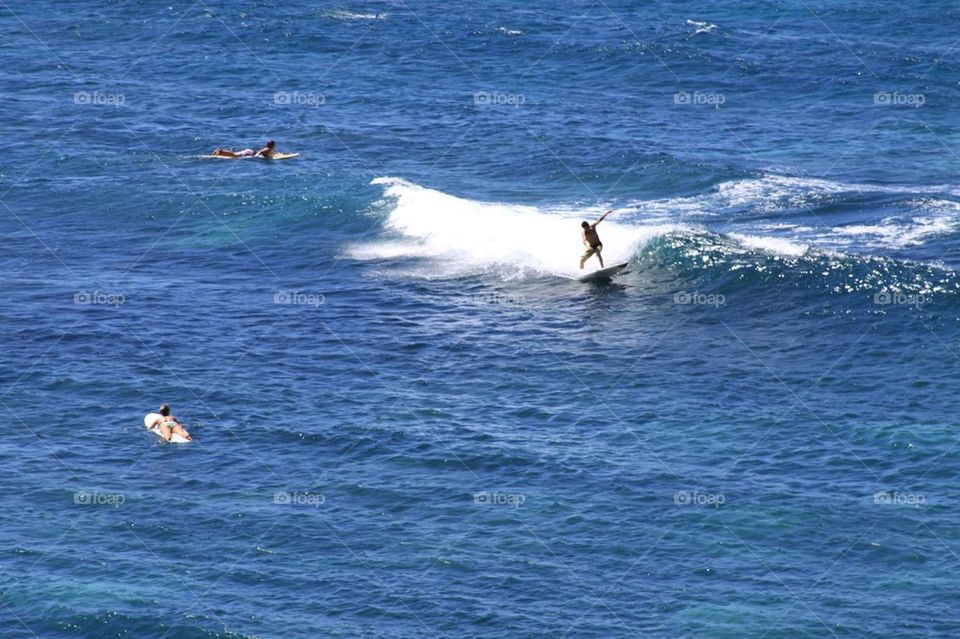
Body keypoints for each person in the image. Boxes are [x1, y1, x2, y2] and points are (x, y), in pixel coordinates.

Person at [211, 140, 276, 158]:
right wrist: (255, 156)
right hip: (250, 153)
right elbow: (260, 152)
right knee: (235, 155)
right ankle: (221, 151)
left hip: (249, 151)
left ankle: (220, 152)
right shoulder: (267, 149)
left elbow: (270, 153)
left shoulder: (268, 149)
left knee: (235, 154)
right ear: (272, 145)